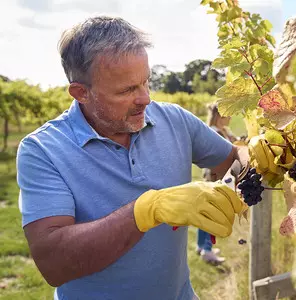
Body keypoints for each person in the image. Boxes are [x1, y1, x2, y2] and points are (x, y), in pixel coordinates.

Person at [15, 16, 250, 300]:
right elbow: (54, 263)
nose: (145, 99)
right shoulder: (42, 150)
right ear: (81, 93)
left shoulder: (174, 120)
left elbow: (233, 157)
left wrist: (256, 153)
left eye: (145, 82)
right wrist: (145, 210)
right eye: (127, 90)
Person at [196, 103, 238, 265]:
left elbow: (236, 143)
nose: (231, 117)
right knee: (211, 214)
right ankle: (207, 251)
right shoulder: (213, 132)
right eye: (228, 113)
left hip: (219, 177)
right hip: (214, 178)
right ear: (221, 116)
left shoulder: (224, 131)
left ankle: (202, 246)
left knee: (206, 212)